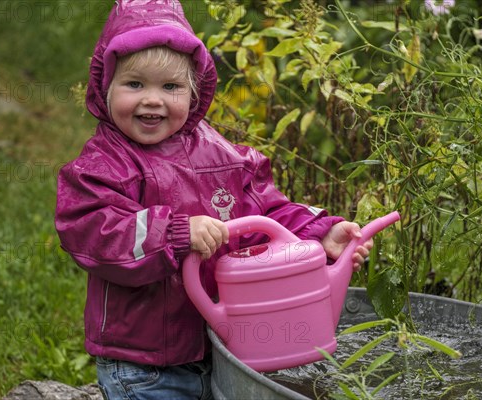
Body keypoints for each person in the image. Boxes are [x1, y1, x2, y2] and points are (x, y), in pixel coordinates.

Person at [55, 1, 372, 399]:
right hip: (144, 363)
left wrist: (319, 233)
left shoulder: (220, 155)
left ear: (196, 91)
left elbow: (268, 212)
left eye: (170, 87)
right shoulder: (103, 165)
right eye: (134, 84)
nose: (152, 100)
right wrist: (173, 234)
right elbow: (94, 233)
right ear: (105, 86)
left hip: (223, 345)